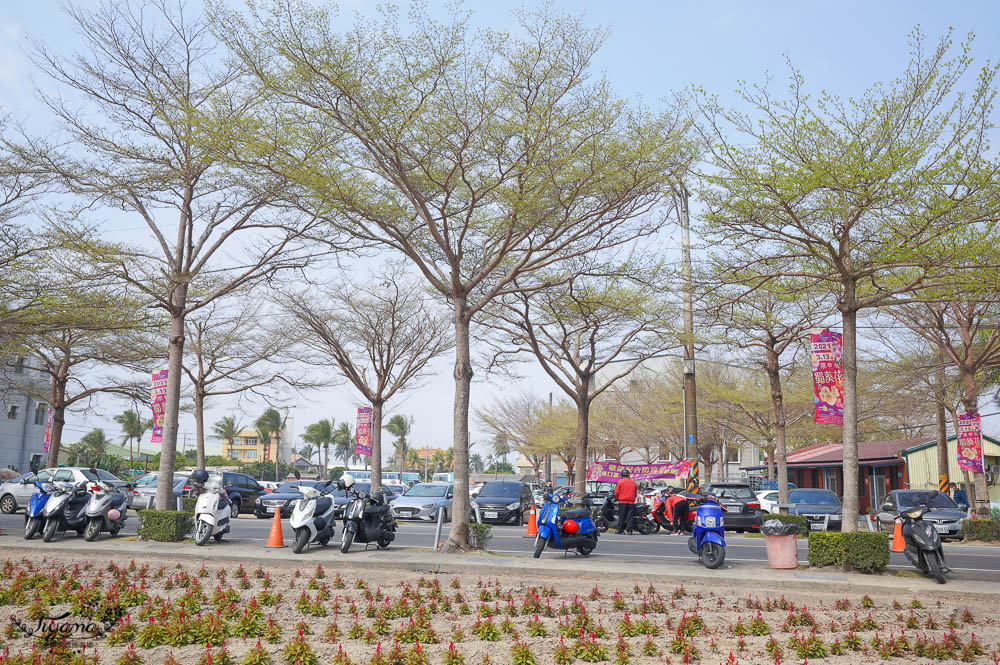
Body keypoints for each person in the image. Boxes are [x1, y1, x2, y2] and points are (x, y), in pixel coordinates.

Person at [614, 470, 638, 535]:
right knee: (630, 517)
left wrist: (616, 498)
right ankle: (629, 530)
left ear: (622, 475)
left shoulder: (620, 482)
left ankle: (620, 530)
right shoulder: (633, 482)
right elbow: (635, 492)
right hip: (631, 502)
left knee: (622, 517)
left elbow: (616, 492)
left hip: (622, 502)